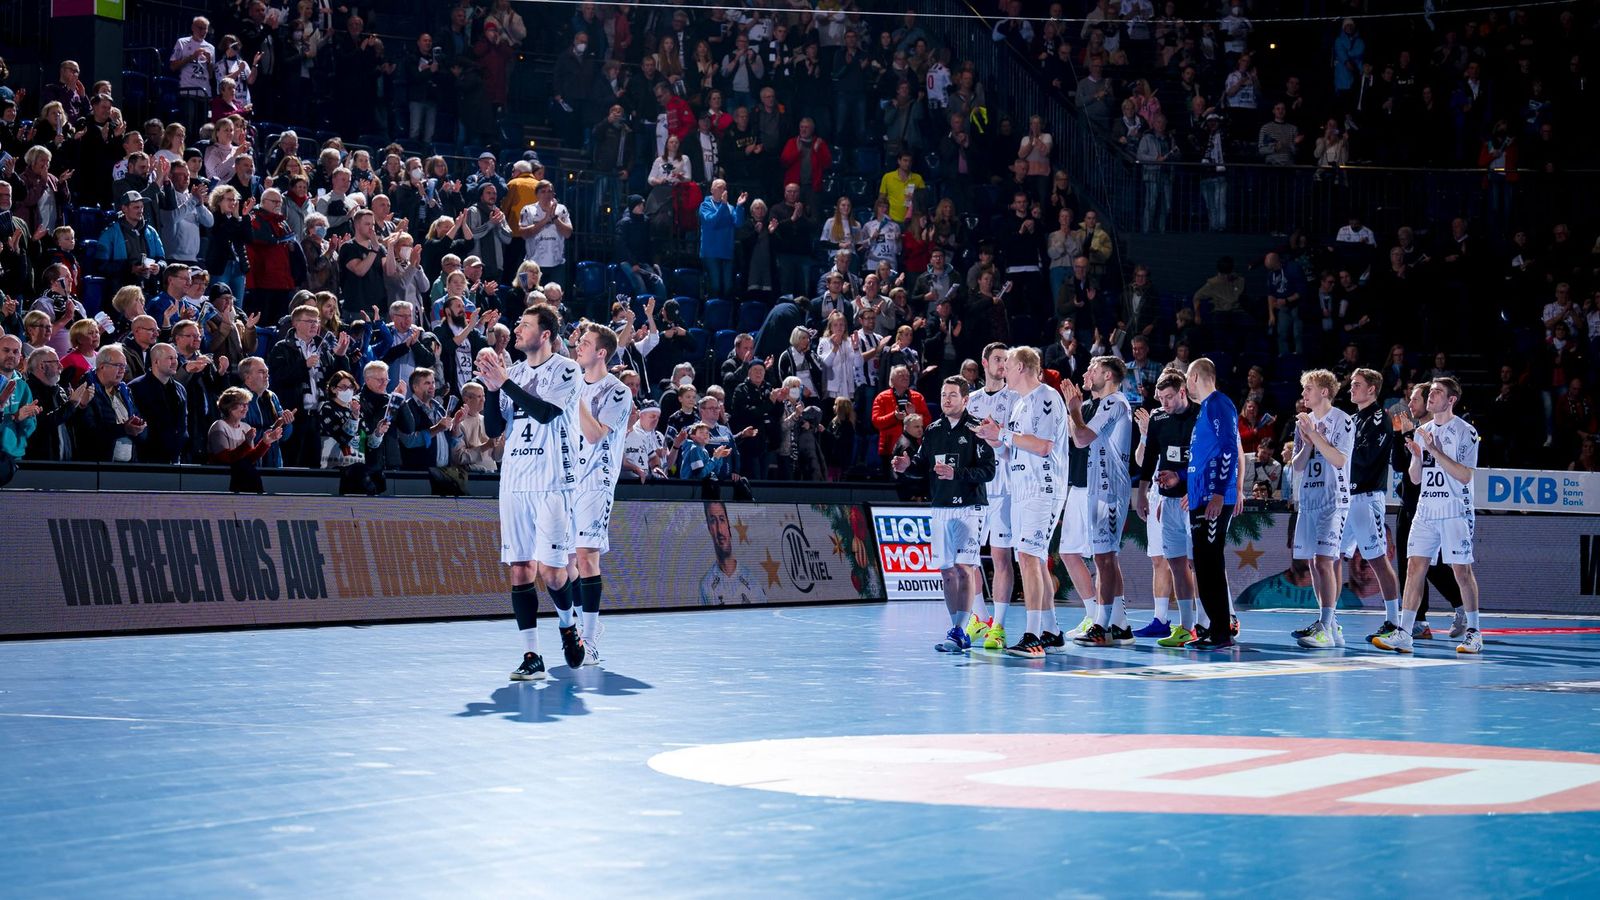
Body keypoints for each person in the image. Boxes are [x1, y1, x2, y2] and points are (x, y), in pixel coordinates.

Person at [477, 305, 584, 681]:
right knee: (521, 568)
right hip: (515, 481)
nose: (518, 330)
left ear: (546, 335)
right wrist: (492, 390)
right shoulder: (515, 372)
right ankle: (532, 655)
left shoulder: (566, 370)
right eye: (518, 324)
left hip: (552, 482)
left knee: (553, 574)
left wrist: (503, 382)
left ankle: (569, 626)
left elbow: (544, 413)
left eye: (525, 325)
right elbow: (493, 428)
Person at [1375, 377, 1484, 654]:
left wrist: (1434, 450)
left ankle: (1473, 631)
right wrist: (1417, 456)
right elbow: (1414, 478)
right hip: (1425, 509)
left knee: (1461, 570)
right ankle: (1405, 631)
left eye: (1437, 392)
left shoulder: (1465, 431)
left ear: (1451, 400)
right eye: (1431, 391)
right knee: (1414, 567)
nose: (1432, 395)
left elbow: (1464, 475)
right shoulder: (1422, 430)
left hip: (1454, 509)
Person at [893, 376, 997, 652]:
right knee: (947, 573)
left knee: (964, 568)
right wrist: (906, 465)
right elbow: (921, 463)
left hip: (970, 507)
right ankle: (956, 628)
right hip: (940, 507)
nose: (946, 399)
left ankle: (962, 629)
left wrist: (957, 473)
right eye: (943, 394)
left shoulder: (978, 428)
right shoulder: (934, 429)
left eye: (952, 395)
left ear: (965, 400)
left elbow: (989, 471)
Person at [975, 347, 1067, 658]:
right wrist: (992, 436)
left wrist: (1003, 434)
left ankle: (1033, 635)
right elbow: (1009, 450)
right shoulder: (1018, 406)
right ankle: (1051, 630)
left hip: (1043, 486)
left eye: (1009, 365)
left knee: (1028, 558)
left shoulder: (1046, 397)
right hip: (1021, 487)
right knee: (1033, 558)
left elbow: (1042, 447)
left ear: (1024, 368)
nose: (1004, 371)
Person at [1321, 368, 1405, 645]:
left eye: (1357, 385)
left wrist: (1338, 453)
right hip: (1346, 498)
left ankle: (1394, 622)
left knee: (1377, 559)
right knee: (1331, 555)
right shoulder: (1351, 419)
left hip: (1367, 497)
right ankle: (1329, 622)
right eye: (1352, 384)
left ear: (1372, 389)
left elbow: (1366, 458)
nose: (1351, 389)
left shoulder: (1381, 418)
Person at [567, 324, 633, 666]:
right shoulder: (574, 382)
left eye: (585, 343)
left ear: (601, 352)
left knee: (586, 557)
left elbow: (594, 435)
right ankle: (583, 625)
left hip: (597, 480)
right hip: (567, 481)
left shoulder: (617, 392)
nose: (578, 347)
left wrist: (573, 397)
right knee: (563, 563)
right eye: (578, 342)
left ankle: (589, 641)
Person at [1062, 356, 1135, 648]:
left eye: (1092, 369)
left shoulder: (1114, 402)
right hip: (1096, 487)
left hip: (1108, 490)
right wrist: (1073, 412)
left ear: (1106, 374)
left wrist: (1074, 410)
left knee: (1104, 558)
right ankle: (1118, 624)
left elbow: (1081, 438)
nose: (1087, 373)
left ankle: (1101, 625)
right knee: (1105, 557)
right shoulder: (1108, 404)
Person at [1388, 382, 1466, 638]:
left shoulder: (1447, 431)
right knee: (1410, 564)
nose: (1410, 405)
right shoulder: (1414, 429)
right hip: (1410, 504)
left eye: (1415, 400)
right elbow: (1400, 465)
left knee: (1439, 565)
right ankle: (1417, 622)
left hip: (1438, 505)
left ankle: (1462, 607)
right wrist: (1402, 435)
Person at [1288, 369, 1355, 650]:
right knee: (1314, 563)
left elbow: (1339, 459)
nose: (1304, 394)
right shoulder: (1304, 422)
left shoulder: (1343, 420)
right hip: (1309, 498)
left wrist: (1315, 436)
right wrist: (1305, 442)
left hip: (1333, 498)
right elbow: (1297, 465)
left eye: (1309, 388)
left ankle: (1326, 626)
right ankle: (1329, 623)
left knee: (1325, 561)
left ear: (1324, 392)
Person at [1135, 371, 1202, 645]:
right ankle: (1185, 625)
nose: (1165, 403)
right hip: (1167, 499)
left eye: (1170, 397)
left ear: (1183, 391)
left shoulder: (1202, 415)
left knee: (1199, 563)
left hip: (1196, 499)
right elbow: (1149, 458)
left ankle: (1211, 621)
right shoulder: (1159, 419)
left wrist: (1194, 488)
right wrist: (1142, 493)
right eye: (1161, 398)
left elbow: (1212, 457)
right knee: (1173, 562)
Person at [1182, 359, 1240, 649]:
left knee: (1210, 563)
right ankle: (1214, 628)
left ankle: (1221, 631)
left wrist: (1218, 493)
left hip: (1213, 499)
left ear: (1194, 376)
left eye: (1186, 379)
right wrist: (1181, 478)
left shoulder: (1219, 403)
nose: (1186, 384)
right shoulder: (1206, 409)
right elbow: (1203, 457)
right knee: (1203, 564)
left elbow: (1230, 447)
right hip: (1200, 497)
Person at [964, 343, 1017, 649]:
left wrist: (996, 437)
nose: (1002, 364)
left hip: (1004, 488)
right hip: (976, 490)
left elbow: (1014, 448)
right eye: (997, 359)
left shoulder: (1016, 400)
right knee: (967, 557)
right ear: (984, 362)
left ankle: (998, 626)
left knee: (1001, 557)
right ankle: (980, 617)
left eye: (1006, 360)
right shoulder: (971, 401)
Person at [699, 500, 767, 606]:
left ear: (728, 525)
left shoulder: (751, 579)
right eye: (713, 521)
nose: (719, 530)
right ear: (709, 529)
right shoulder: (706, 585)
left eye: (722, 520)